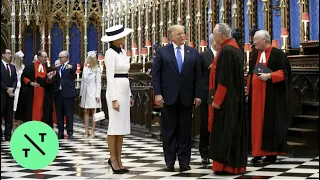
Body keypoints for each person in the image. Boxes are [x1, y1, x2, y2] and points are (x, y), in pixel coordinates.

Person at [152, 24, 202, 172]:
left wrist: (198, 95)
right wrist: (158, 94)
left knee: (185, 132)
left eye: (183, 33)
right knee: (169, 131)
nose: (182, 36)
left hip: (187, 97)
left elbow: (198, 77)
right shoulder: (162, 52)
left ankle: (184, 162)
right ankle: (169, 161)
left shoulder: (193, 52)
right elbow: (156, 76)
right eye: (179, 34)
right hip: (168, 97)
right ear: (171, 36)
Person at [246, 30, 292, 164]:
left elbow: (285, 73)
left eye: (256, 40)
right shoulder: (255, 55)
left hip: (271, 97)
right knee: (255, 125)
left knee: (269, 125)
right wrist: (248, 92)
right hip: (255, 97)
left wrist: (270, 76)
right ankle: (256, 153)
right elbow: (250, 74)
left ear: (264, 41)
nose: (253, 43)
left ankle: (270, 154)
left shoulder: (278, 54)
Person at [207, 23, 247, 175]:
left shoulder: (226, 50)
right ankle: (235, 165)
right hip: (235, 97)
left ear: (221, 36)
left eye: (215, 34)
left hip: (226, 101)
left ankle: (224, 166)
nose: (214, 37)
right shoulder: (236, 49)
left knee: (225, 131)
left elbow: (223, 80)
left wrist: (216, 101)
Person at [102, 25, 134, 174]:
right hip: (115, 92)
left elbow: (126, 76)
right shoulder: (109, 53)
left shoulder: (122, 52)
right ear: (114, 39)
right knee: (114, 127)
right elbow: (109, 77)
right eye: (121, 36)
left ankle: (119, 159)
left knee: (121, 129)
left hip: (124, 90)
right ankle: (113, 159)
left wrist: (130, 95)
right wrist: (114, 99)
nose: (124, 38)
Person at [15, 50, 56, 123]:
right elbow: (23, 77)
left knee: (41, 112)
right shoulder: (31, 66)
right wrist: (31, 83)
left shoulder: (46, 68)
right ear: (39, 57)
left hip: (43, 94)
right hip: (32, 94)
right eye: (44, 57)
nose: (46, 59)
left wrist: (49, 78)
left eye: (46, 57)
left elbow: (47, 82)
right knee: (31, 113)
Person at [198, 34, 219, 165]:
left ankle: (217, 151)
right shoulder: (203, 56)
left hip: (220, 92)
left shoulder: (224, 54)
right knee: (205, 124)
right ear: (213, 42)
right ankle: (204, 152)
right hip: (207, 94)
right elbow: (199, 77)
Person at [54, 51, 76, 140]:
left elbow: (73, 69)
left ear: (66, 57)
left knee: (69, 114)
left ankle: (70, 132)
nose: (59, 59)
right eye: (59, 57)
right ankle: (60, 132)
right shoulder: (58, 68)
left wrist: (68, 65)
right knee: (59, 114)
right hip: (59, 93)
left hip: (68, 94)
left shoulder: (71, 65)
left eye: (61, 57)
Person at [79, 51, 101, 138]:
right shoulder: (85, 69)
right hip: (85, 93)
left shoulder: (97, 70)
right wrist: (81, 94)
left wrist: (97, 95)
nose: (86, 60)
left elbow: (98, 83)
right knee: (85, 111)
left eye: (88, 58)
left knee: (93, 112)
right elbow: (83, 82)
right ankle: (86, 131)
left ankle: (92, 131)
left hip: (93, 93)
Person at [1, 48, 17, 141]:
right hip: (2, 94)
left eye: (11, 53)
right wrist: (6, 89)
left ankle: (8, 135)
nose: (10, 55)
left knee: (9, 115)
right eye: (8, 53)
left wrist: (12, 88)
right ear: (3, 55)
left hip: (10, 95)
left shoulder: (12, 67)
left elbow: (15, 79)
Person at [11, 51, 25, 131]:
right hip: (14, 89)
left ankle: (19, 127)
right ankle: (13, 127)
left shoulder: (23, 67)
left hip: (20, 89)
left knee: (19, 109)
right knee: (13, 109)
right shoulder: (12, 66)